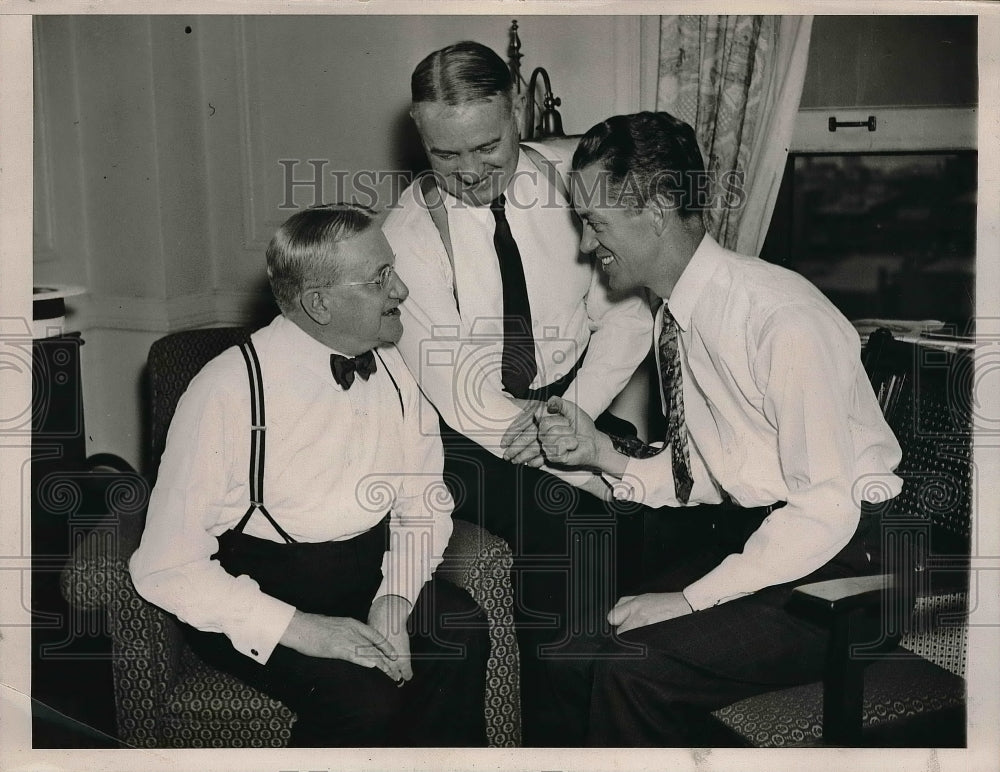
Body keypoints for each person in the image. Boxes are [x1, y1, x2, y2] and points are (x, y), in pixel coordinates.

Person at [535, 111, 904, 746]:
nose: (587, 245)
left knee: (633, 672)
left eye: (594, 222)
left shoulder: (780, 318)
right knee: (569, 650)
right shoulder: (675, 315)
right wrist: (605, 456)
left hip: (848, 570)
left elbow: (822, 502)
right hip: (774, 541)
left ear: (655, 208)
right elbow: (726, 468)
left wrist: (691, 600)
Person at [129, 203, 488, 747]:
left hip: (366, 571)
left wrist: (395, 598)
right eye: (379, 280)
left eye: (392, 269)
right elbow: (164, 565)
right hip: (260, 588)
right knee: (365, 701)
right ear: (318, 303)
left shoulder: (394, 363)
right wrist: (301, 630)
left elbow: (423, 502)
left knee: (459, 629)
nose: (402, 292)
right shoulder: (226, 390)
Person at [381, 41, 653, 744]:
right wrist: (581, 468)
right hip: (461, 431)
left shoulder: (575, 183)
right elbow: (464, 399)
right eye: (446, 155)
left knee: (667, 512)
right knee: (572, 527)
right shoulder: (408, 236)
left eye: (487, 146)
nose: (469, 172)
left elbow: (624, 313)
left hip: (571, 398)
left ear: (519, 111)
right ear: (420, 134)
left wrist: (581, 422)